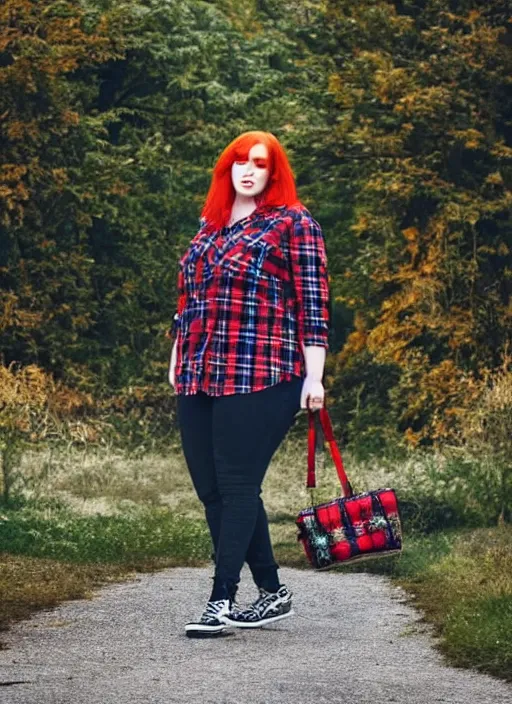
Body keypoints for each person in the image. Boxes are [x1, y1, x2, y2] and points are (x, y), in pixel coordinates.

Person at [167, 130, 330, 638]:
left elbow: (313, 304)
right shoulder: (208, 227)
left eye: (260, 163)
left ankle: (221, 599)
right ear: (227, 169)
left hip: (264, 371)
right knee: (211, 489)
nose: (248, 170)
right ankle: (273, 592)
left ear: (273, 172)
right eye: (240, 161)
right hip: (199, 370)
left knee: (238, 484)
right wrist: (176, 355)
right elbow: (188, 300)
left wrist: (315, 376)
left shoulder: (292, 223)